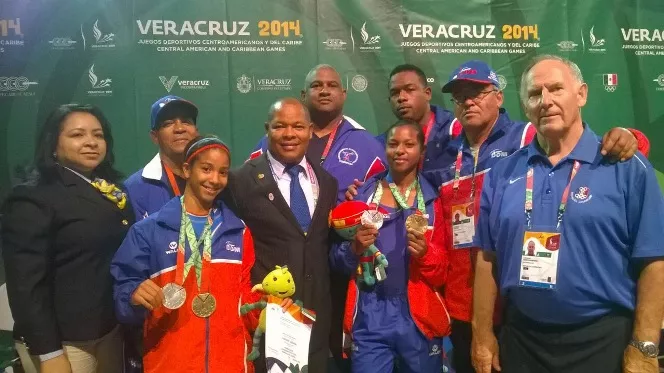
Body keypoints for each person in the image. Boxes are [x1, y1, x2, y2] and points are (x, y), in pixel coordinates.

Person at [347, 60, 648, 373]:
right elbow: (403, 175)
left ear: (499, 97)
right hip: (460, 303)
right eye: (461, 97)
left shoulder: (526, 135)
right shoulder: (443, 152)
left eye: (478, 93)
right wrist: (366, 188)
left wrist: (630, 137)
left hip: (515, 304)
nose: (469, 102)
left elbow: (583, 142)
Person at [472, 55, 664, 373]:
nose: (545, 101)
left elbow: (654, 261)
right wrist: (482, 336)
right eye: (535, 94)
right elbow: (486, 260)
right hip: (522, 341)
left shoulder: (625, 166)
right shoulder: (503, 173)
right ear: (525, 105)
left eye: (556, 89)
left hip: (603, 342)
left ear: (582, 94)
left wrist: (645, 345)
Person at [112, 135, 284, 372]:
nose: (214, 179)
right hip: (171, 363)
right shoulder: (148, 231)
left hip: (230, 363)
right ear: (186, 170)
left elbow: (243, 297)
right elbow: (123, 295)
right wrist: (133, 294)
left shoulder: (238, 231)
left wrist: (265, 305)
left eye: (223, 172)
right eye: (206, 169)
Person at [1, 104, 132, 373]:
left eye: (98, 135)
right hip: (65, 341)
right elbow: (26, 285)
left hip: (109, 329)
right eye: (77, 135)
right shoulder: (33, 198)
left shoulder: (110, 190)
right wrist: (49, 353)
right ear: (53, 143)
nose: (91, 143)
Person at [223, 98, 339, 373]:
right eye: (280, 126)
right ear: (267, 129)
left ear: (310, 130)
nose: (289, 134)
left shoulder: (327, 182)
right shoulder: (240, 182)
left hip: (317, 321)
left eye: (298, 126)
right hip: (268, 322)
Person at [330, 120, 449, 372]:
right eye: (393, 144)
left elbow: (442, 270)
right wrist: (354, 249)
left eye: (409, 144)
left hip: (417, 314)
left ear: (422, 151)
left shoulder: (433, 200)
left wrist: (426, 254)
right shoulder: (362, 195)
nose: (400, 150)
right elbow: (336, 259)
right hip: (370, 314)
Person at [250, 64, 386, 203]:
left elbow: (387, 194)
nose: (324, 91)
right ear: (303, 95)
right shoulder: (275, 140)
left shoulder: (368, 146)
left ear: (343, 94)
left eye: (332, 85)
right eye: (316, 85)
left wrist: (363, 197)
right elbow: (248, 188)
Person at [124, 95, 199, 220]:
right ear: (155, 136)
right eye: (168, 124)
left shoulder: (215, 179)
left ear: (196, 132)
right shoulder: (135, 188)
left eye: (186, 121)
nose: (179, 129)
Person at [377, 64, 463, 168]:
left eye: (409, 89)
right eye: (395, 93)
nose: (401, 98)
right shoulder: (381, 144)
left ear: (427, 94)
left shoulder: (454, 129)